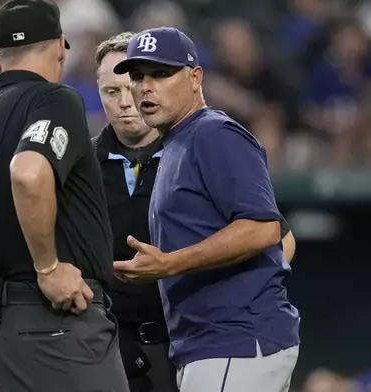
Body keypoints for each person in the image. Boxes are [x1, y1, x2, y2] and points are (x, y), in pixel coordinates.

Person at [94, 31, 299, 392]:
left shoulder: (213, 133)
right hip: (207, 343)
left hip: (233, 340)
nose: (145, 88)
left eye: (160, 74)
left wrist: (169, 264)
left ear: (195, 77)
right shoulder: (178, 140)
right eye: (138, 76)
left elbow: (265, 230)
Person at [0, 1, 130, 391]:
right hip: (51, 321)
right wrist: (48, 268)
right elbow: (28, 173)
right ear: (61, 45)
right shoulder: (55, 100)